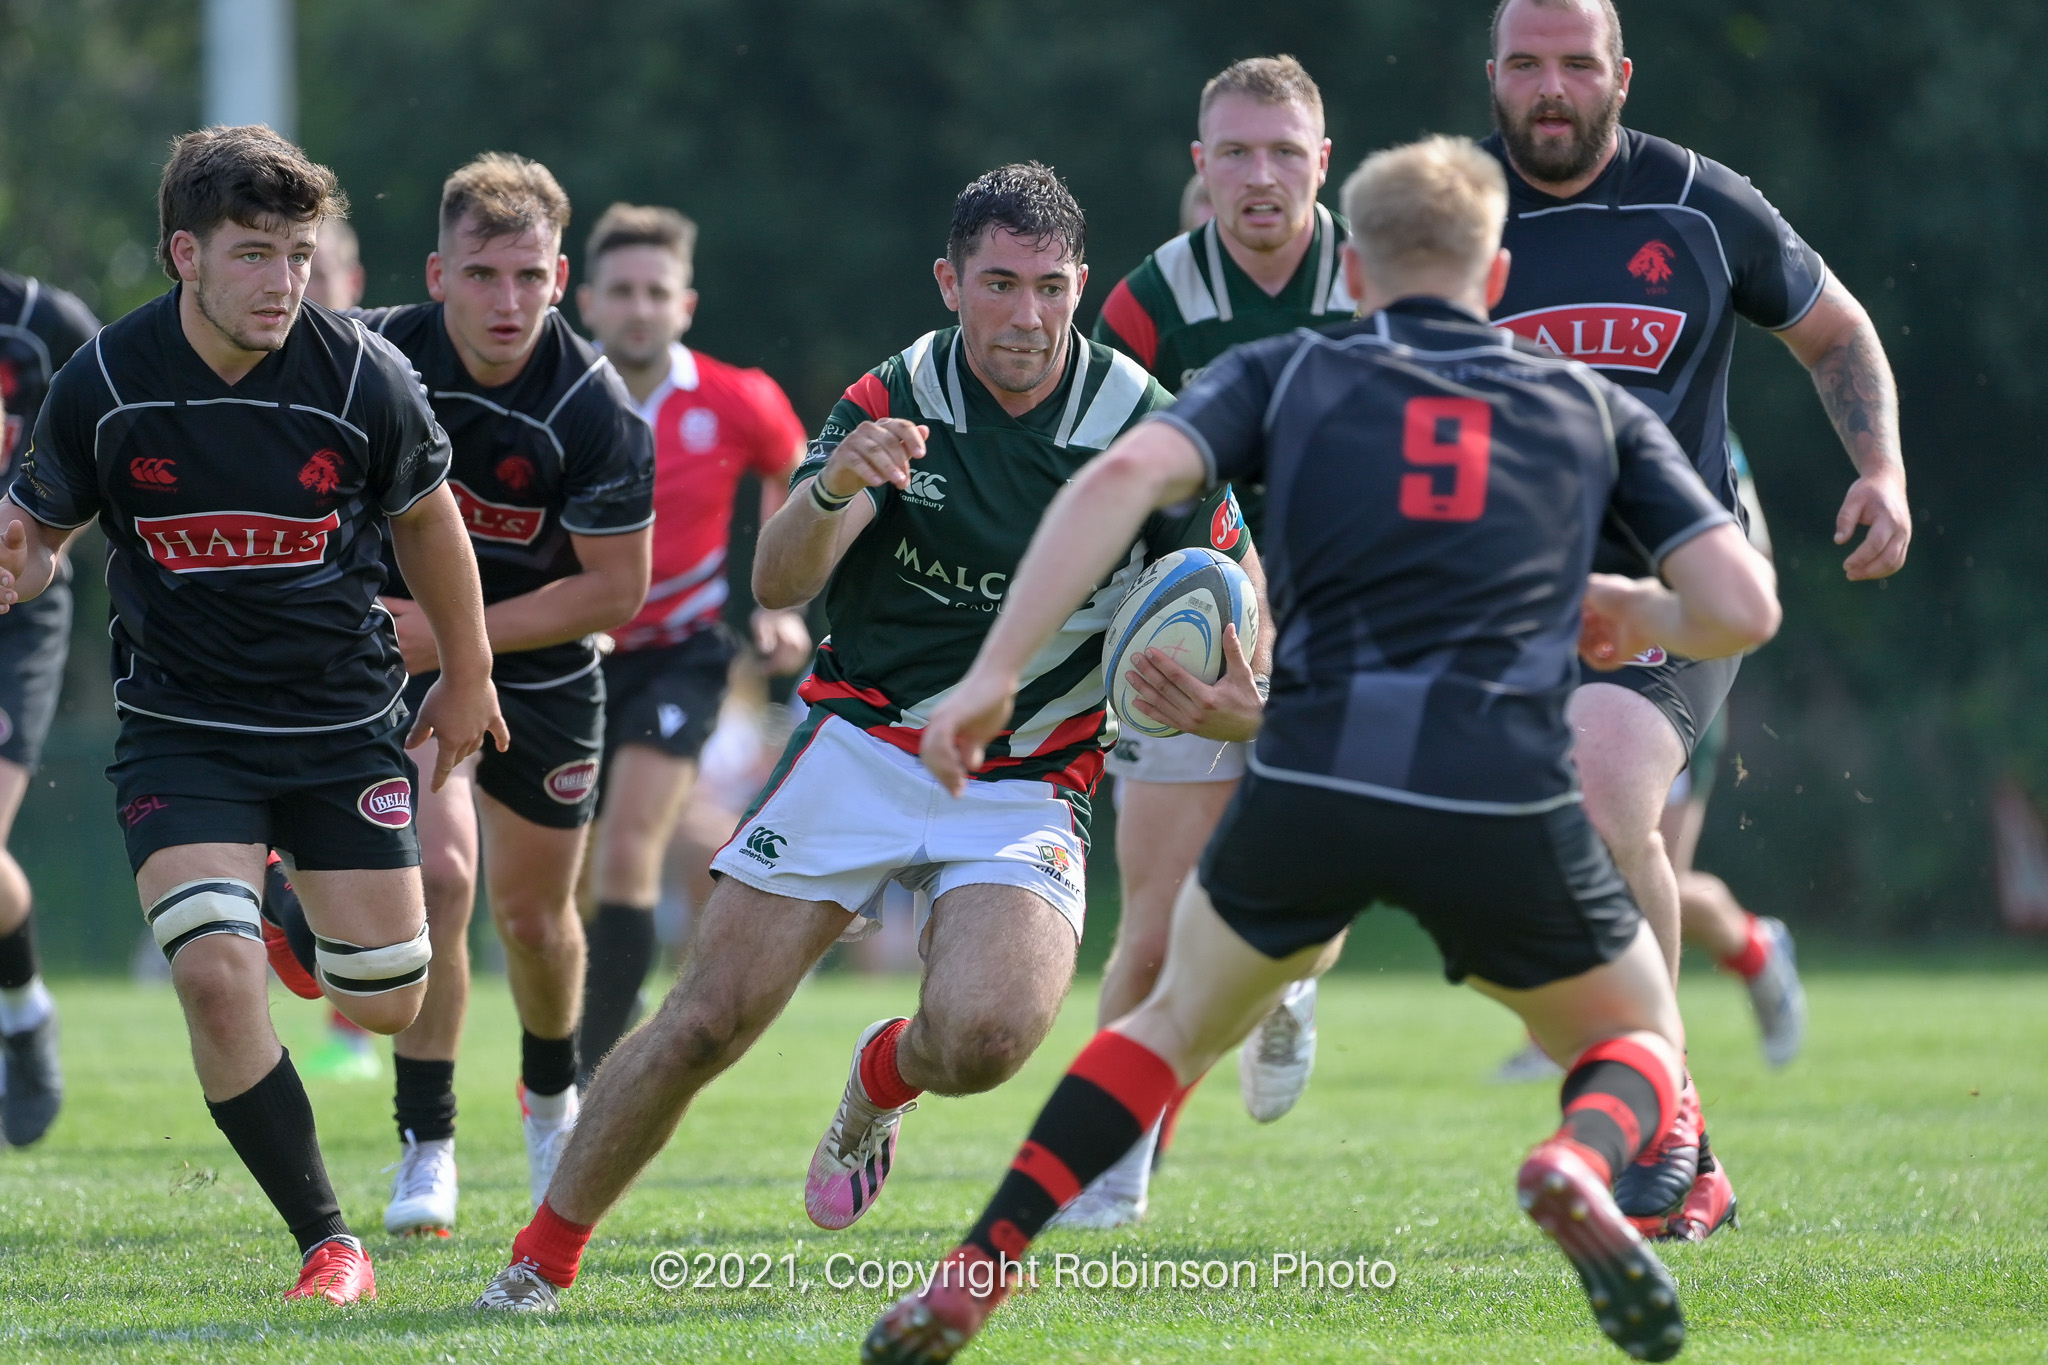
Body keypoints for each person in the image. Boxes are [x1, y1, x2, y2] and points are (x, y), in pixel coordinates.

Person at [866, 133, 1781, 1365]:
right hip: (1497, 786)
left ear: (1354, 275)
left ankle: (976, 1271)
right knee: (1636, 1043)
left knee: (1166, 1027)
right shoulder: (1582, 402)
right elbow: (1743, 605)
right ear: (1495, 279)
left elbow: (1115, 482)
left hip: (1310, 775)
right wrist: (1641, 613)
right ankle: (1572, 1160)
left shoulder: (1285, 372)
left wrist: (990, 673)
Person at [471, 162, 1256, 1312]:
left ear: (1080, 285)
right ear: (949, 282)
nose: (1025, 317)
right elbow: (776, 579)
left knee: (985, 1040)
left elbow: (1232, 586)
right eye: (997, 284)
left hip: (1028, 776)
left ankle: (879, 1078)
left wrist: (1240, 689)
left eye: (1048, 287)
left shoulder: (1143, 425)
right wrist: (832, 486)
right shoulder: (897, 396)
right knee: (704, 1021)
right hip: (863, 743)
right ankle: (539, 1261)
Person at [0, 125, 503, 1303]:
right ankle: (329, 1244)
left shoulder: (360, 376)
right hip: (183, 729)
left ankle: (289, 909)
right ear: (185, 252)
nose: (284, 282)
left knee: (386, 1000)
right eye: (253, 254)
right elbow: (42, 540)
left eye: (297, 252)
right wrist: (16, 562)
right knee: (217, 980)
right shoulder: (110, 381)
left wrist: (469, 678)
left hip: (339, 725)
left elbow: (432, 524)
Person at [1482, 0, 1906, 1236]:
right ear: (1490, 76)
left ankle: (1656, 1127)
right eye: (1524, 64)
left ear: (1619, 73)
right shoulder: (1445, 218)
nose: (1549, 88)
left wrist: (1879, 474)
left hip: (1673, 574)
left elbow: (1835, 332)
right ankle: (1683, 1140)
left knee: (1608, 785)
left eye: (1574, 64)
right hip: (1505, 597)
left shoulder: (1698, 205)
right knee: (1511, 869)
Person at [274, 154, 654, 1238]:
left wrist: (453, 635)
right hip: (396, 661)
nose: (506, 301)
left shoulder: (594, 405)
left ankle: (550, 1103)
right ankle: (426, 1144)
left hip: (533, 667)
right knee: (441, 875)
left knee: (535, 921)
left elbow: (613, 589)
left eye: (528, 276)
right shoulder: (371, 358)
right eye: (483, 274)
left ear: (561, 276)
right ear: (438, 274)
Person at [1078, 54, 1350, 1225]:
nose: (1259, 175)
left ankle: (1283, 988)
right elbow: (1108, 485)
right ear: (1199, 166)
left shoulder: (1381, 277)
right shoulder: (1146, 304)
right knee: (1150, 924)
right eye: (1233, 151)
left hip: (1346, 626)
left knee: (1314, 905)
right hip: (1186, 616)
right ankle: (1103, 1165)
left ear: (1322, 162)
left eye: (1284, 151)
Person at [570, 202, 812, 1086]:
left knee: (635, 844)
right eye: (622, 291)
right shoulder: (559, 393)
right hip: (568, 651)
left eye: (656, 291)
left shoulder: (735, 396)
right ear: (587, 300)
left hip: (682, 648)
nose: (639, 307)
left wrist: (779, 602)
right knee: (570, 882)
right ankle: (593, 1018)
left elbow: (791, 465)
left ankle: (596, 1071)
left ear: (686, 304)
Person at [266, 213, 385, 1086]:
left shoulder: (381, 374)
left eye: (316, 264)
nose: (301, 283)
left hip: (385, 651)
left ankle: (298, 918)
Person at [0, 265, 99, 1145]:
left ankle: (24, 1017)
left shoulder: (46, 324)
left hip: (15, 612)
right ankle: (24, 1011)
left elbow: (126, 441)